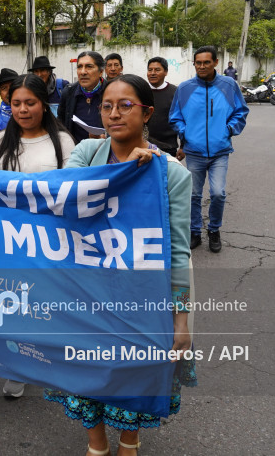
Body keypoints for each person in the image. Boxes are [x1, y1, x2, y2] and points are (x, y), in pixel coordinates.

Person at [47, 74, 195, 456]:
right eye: (107, 106)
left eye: (126, 105)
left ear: (147, 113)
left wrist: (180, 321)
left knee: (135, 372)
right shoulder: (86, 155)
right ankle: (96, 445)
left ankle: (129, 441)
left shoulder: (172, 174)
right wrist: (122, 174)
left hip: (141, 296)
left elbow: (177, 252)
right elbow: (61, 199)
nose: (114, 114)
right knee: (84, 370)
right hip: (85, 290)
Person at [0, 73, 75, 398]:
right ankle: (17, 366)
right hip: (9, 242)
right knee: (13, 305)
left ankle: (47, 361)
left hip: (50, 241)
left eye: (30, 103)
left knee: (46, 304)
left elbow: (73, 192)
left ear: (45, 105)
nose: (22, 110)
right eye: (16, 103)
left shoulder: (62, 142)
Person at [169, 46, 249, 253]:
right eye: (198, 63)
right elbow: (175, 116)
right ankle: (195, 231)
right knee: (194, 195)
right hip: (194, 152)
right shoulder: (185, 88)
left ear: (215, 62)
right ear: (194, 64)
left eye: (206, 62)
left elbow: (241, 111)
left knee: (218, 193)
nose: (202, 66)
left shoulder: (228, 85)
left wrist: (228, 130)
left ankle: (214, 230)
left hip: (219, 152)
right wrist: (185, 133)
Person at [57, 51, 106, 144]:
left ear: (101, 72)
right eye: (80, 67)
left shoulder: (111, 91)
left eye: (89, 66)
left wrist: (107, 139)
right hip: (76, 152)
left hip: (106, 151)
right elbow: (61, 123)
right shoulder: (68, 92)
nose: (83, 72)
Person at [146, 56, 181, 158]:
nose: (153, 73)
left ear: (166, 72)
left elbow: (183, 119)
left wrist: (184, 146)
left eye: (157, 70)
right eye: (150, 70)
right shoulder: (140, 90)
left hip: (168, 147)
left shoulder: (175, 92)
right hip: (144, 145)